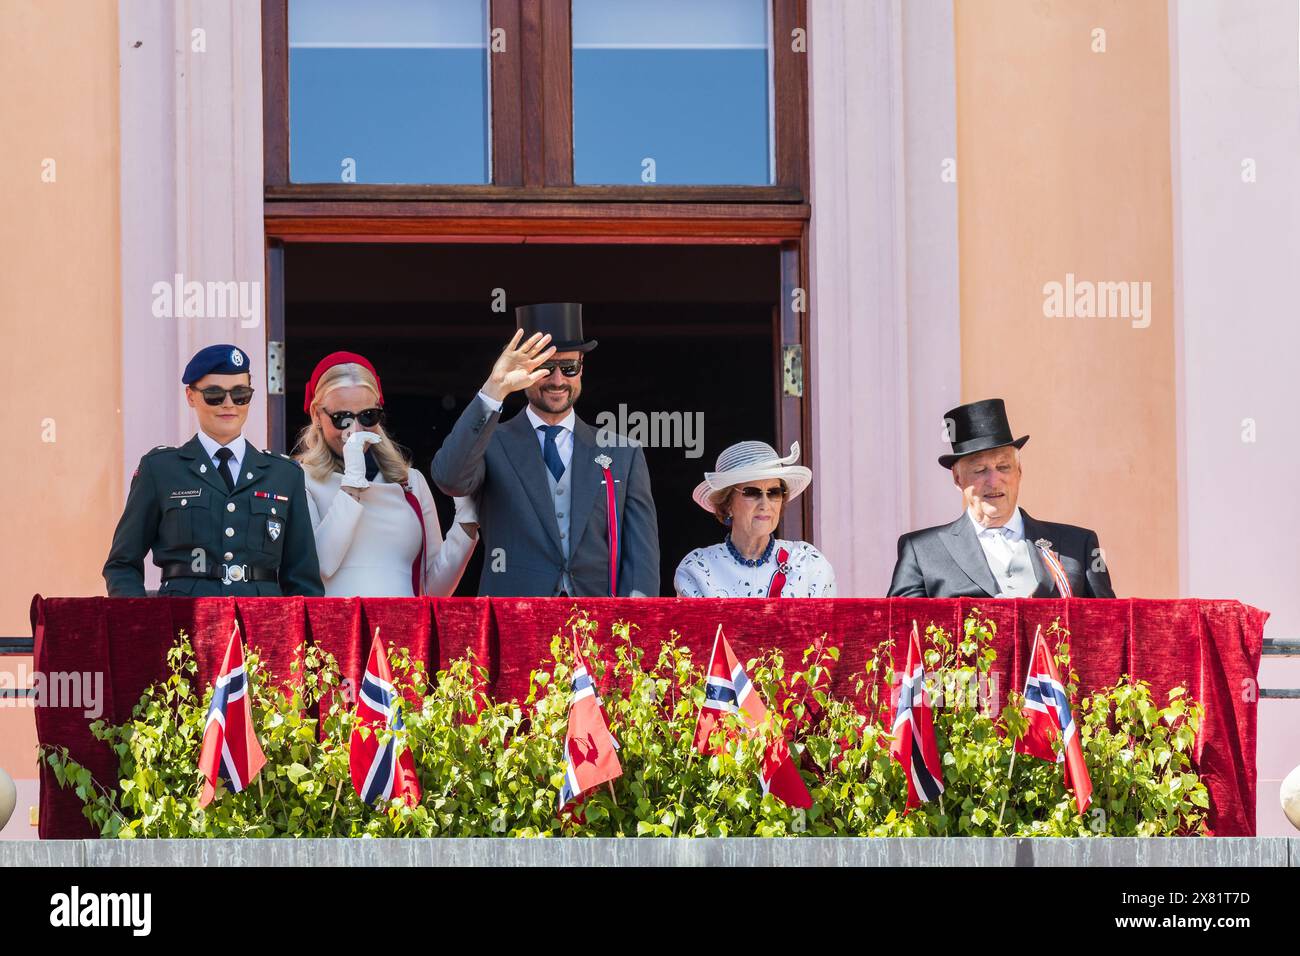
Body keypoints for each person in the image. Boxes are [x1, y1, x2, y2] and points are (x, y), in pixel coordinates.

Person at [431, 303, 659, 597]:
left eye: (568, 368)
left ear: (581, 369)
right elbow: (449, 478)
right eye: (545, 368)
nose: (557, 380)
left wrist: (634, 624)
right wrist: (494, 387)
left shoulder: (622, 452)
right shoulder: (491, 442)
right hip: (514, 621)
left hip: (597, 624)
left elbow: (641, 558)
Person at [103, 344, 324, 597]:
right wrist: (141, 625)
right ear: (191, 396)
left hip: (261, 626)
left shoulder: (284, 474)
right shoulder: (160, 469)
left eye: (240, 394)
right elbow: (122, 565)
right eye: (215, 395)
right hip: (185, 626)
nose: (229, 404)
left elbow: (303, 580)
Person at [888, 398, 1115, 598]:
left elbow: (1108, 629)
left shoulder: (1079, 545)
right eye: (979, 470)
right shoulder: (921, 551)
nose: (994, 480)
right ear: (958, 479)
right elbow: (898, 633)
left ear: (1019, 472)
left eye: (1003, 467)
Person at [296, 352, 478, 597]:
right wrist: (352, 484)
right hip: (336, 631)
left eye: (368, 416)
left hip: (402, 630)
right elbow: (320, 566)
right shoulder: (299, 478)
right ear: (317, 414)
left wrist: (467, 519)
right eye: (341, 419)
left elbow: (435, 591)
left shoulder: (410, 482)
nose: (355, 430)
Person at [675, 441, 835, 598]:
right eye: (752, 492)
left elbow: (828, 624)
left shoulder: (808, 563)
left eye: (774, 492)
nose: (765, 504)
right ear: (727, 504)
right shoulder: (698, 569)